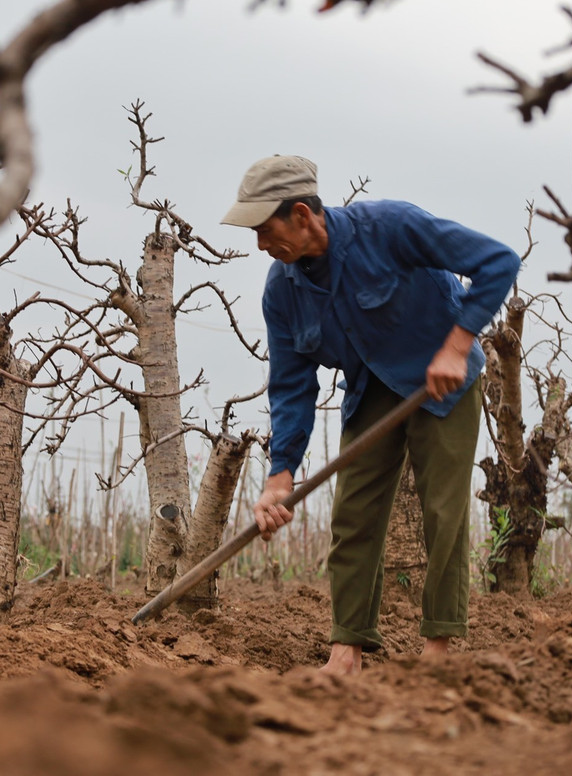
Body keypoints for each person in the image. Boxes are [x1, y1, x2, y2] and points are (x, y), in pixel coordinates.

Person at [221, 155, 520, 675]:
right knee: (353, 515)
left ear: (302, 215)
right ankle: (347, 648)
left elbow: (499, 261)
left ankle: (438, 649)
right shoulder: (282, 291)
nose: (261, 246)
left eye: (265, 231)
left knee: (442, 513)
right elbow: (292, 386)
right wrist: (280, 474)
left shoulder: (390, 227)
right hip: (371, 391)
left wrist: (457, 343)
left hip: (440, 381)